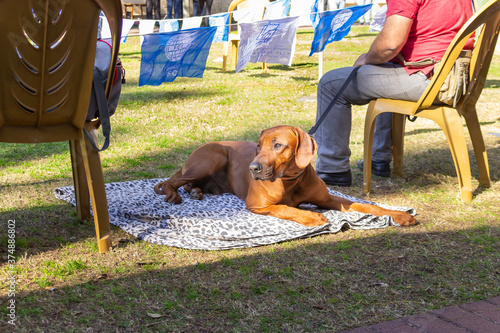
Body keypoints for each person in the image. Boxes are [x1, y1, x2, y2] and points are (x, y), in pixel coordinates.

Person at [314, 0, 474, 186]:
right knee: (389, 67)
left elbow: (390, 45)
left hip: (430, 78)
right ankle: (378, 159)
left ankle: (332, 170)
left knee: (331, 83)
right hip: (456, 77)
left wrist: (366, 58)